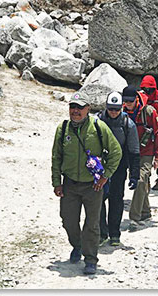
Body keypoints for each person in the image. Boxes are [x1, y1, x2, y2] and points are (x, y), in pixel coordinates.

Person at [51, 92, 122, 275]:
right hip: (69, 184)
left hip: (93, 185)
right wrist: (57, 182)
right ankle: (77, 245)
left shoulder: (98, 127)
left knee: (92, 224)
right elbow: (56, 157)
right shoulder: (63, 128)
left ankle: (90, 259)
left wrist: (105, 176)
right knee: (68, 220)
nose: (75, 111)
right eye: (72, 107)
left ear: (88, 109)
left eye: (79, 107)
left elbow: (116, 152)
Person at [97, 91, 140, 247]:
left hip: (119, 168)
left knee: (116, 200)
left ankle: (114, 234)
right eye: (110, 109)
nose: (113, 112)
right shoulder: (98, 121)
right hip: (99, 167)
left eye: (116, 109)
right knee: (98, 199)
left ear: (121, 107)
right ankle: (102, 233)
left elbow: (134, 151)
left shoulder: (128, 125)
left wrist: (134, 175)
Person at [122, 85, 158, 229]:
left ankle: (134, 217)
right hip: (132, 154)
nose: (128, 104)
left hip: (147, 152)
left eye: (130, 101)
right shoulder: (122, 112)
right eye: (125, 101)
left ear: (136, 99)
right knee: (143, 182)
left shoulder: (148, 112)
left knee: (140, 181)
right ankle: (145, 212)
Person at [140, 75, 158, 191]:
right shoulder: (141, 97)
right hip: (145, 131)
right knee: (144, 156)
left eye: (150, 89)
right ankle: (146, 179)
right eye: (145, 89)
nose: (148, 91)